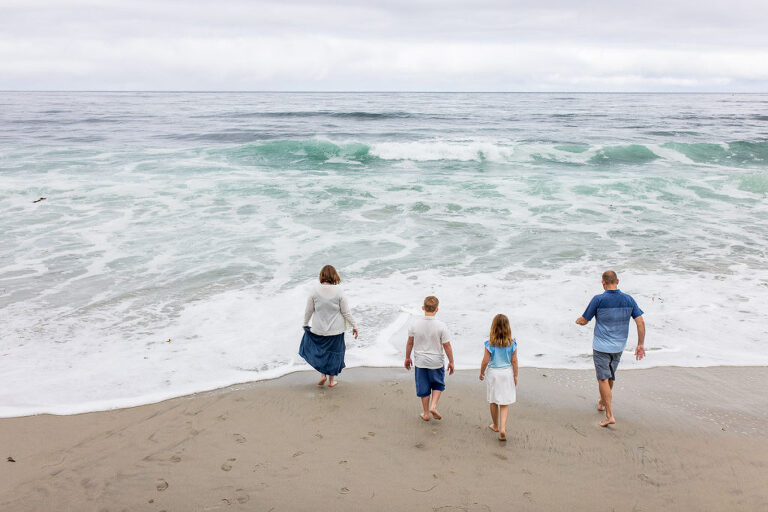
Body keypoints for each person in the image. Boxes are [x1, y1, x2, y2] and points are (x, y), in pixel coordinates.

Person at [576, 270, 645, 427]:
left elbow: (585, 320)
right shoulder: (629, 299)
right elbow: (640, 322)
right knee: (610, 376)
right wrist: (640, 344)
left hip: (601, 346)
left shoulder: (598, 299)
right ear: (618, 281)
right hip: (619, 345)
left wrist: (578, 321)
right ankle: (601, 402)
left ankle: (609, 415)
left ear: (603, 283)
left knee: (602, 378)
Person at [299, 265, 359, 387]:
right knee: (333, 354)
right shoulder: (339, 291)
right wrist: (355, 326)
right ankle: (331, 381)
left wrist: (305, 323)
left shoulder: (314, 291)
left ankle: (323, 375)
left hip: (318, 329)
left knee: (321, 352)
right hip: (336, 331)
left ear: (322, 276)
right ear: (334, 276)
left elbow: (308, 311)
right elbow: (346, 312)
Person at [404, 296, 455, 421]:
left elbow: (410, 342)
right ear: (437, 309)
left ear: (423, 308)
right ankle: (433, 406)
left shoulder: (415, 324)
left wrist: (407, 357)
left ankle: (426, 413)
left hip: (420, 361)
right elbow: (447, 345)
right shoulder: (441, 326)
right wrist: (451, 361)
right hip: (436, 362)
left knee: (424, 387)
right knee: (437, 384)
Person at [479, 314, 518, 441]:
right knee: (504, 402)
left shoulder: (489, 344)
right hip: (507, 373)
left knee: (493, 400)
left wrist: (481, 373)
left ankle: (495, 425)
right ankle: (502, 428)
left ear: (493, 327)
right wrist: (516, 375)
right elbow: (514, 361)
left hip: (494, 374)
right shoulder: (512, 344)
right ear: (508, 328)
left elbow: (485, 361)